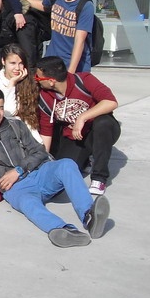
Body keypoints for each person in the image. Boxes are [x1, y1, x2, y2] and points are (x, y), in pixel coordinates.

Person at [0, 86, 110, 248]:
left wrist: (19, 169)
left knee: (67, 164)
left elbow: (39, 151)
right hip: (16, 188)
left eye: (1, 108)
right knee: (28, 204)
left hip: (38, 173)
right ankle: (63, 230)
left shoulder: (15, 125)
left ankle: (89, 216)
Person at [35, 56, 120, 195]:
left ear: (51, 81)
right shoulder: (45, 97)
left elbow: (111, 102)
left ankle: (99, 178)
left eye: (38, 78)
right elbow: (46, 132)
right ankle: (86, 159)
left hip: (101, 130)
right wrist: (42, 160)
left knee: (103, 123)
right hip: (76, 137)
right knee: (63, 171)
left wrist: (82, 117)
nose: (36, 80)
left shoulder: (84, 80)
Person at [20, 0, 95, 74]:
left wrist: (70, 73)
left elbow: (80, 41)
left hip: (76, 66)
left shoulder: (86, 5)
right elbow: (44, 6)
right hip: (52, 61)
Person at [0, 44, 41, 141]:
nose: (17, 68)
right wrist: (12, 84)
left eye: (21, 63)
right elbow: (8, 112)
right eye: (13, 63)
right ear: (3, 61)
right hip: (2, 129)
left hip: (25, 130)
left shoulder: (28, 81)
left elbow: (29, 117)